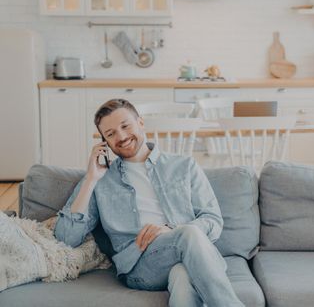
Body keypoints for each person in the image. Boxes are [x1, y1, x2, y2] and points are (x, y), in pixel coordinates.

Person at [54, 98, 244, 307]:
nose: (122, 137)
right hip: (141, 266)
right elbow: (66, 238)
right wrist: (90, 179)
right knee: (188, 234)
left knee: (182, 275)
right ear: (104, 142)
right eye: (110, 134)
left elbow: (213, 221)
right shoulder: (100, 180)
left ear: (141, 123)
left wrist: (172, 230)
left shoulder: (184, 166)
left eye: (125, 126)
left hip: (191, 255)